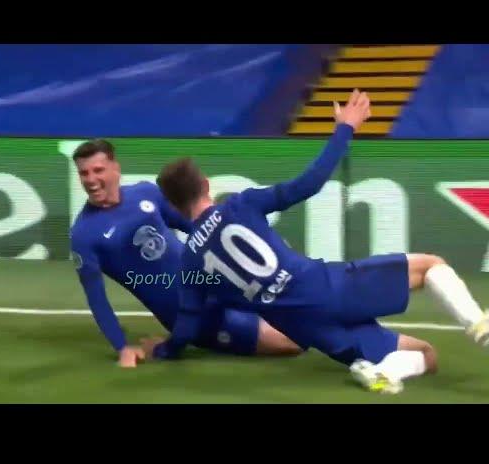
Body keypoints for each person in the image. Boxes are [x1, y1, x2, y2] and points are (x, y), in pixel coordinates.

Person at [144, 89, 489, 394]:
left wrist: (164, 349)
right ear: (205, 184)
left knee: (425, 356)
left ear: (173, 204)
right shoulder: (240, 204)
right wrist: (345, 128)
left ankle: (382, 372)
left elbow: (187, 320)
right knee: (431, 265)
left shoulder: (190, 259)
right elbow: (308, 184)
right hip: (327, 288)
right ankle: (480, 327)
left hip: (308, 328)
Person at [70, 139, 302, 368]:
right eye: (84, 173)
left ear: (115, 168)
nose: (91, 180)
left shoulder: (145, 192)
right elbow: (97, 298)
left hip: (221, 284)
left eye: (97, 170)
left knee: (302, 312)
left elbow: (197, 226)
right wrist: (122, 347)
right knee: (292, 342)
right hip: (193, 316)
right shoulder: (84, 234)